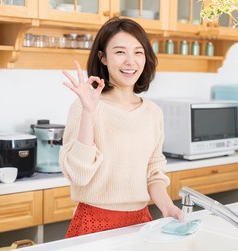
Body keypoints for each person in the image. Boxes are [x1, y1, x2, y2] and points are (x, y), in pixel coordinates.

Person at [59, 17, 183, 238]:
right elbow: (78, 175)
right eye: (119, 52)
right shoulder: (84, 106)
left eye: (138, 52)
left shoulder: (153, 112)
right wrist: (88, 112)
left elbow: (154, 172)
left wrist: (166, 206)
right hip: (94, 224)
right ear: (103, 57)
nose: (130, 61)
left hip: (141, 222)